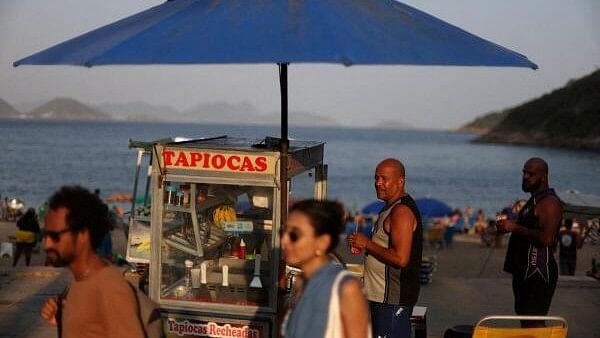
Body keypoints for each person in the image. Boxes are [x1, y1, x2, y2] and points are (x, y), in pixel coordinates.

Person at [40, 186, 145, 338]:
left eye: (55, 236)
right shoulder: (79, 283)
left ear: (82, 235)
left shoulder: (111, 289)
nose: (47, 244)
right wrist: (62, 320)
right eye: (46, 235)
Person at [348, 158, 422, 338]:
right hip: (379, 298)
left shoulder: (401, 212)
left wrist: (367, 243)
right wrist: (363, 244)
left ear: (400, 181)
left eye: (384, 178)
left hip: (392, 300)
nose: (378, 183)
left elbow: (401, 258)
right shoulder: (389, 208)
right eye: (376, 178)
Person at [282, 199, 370, 338]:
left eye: (294, 235)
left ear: (322, 242)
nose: (284, 241)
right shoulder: (301, 283)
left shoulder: (346, 288)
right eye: (282, 232)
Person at [497, 157, 563, 327]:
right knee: (526, 320)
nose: (526, 176)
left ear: (544, 177)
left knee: (534, 323)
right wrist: (507, 227)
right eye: (524, 172)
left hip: (537, 272)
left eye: (531, 173)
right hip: (525, 272)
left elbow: (547, 239)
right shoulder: (535, 199)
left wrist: (514, 228)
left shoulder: (549, 202)